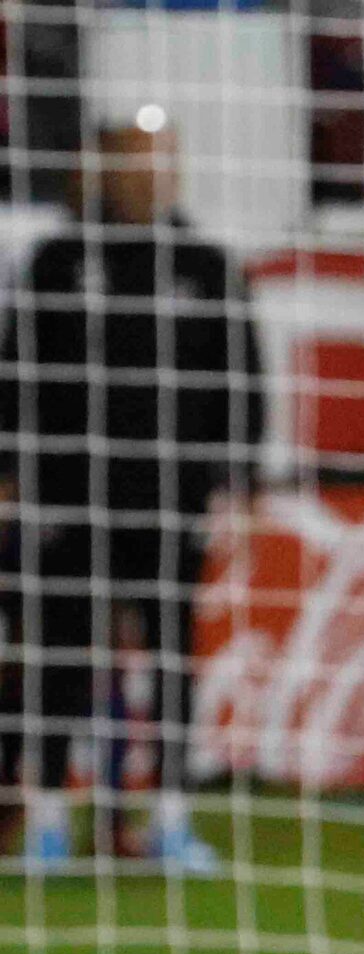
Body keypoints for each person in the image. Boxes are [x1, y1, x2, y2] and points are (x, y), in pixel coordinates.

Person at [0, 117, 261, 872]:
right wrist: (16, 477)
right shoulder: (54, 262)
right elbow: (17, 375)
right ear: (104, 168)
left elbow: (240, 376)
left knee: (170, 656)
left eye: (162, 161)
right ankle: (48, 821)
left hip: (171, 499)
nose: (152, 175)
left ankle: (171, 820)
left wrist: (235, 478)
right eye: (138, 161)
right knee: (58, 656)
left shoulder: (205, 265)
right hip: (68, 498)